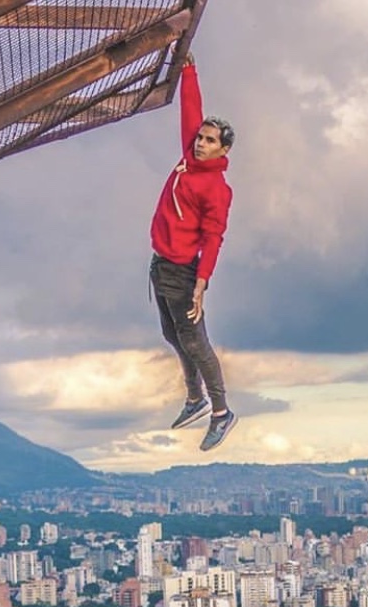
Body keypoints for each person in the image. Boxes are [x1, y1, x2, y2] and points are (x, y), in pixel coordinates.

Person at [149, 53, 237, 451]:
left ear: (223, 150)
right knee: (173, 335)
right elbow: (191, 109)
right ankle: (194, 398)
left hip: (183, 273)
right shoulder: (189, 159)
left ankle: (221, 412)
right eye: (200, 138)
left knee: (195, 341)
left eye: (209, 141)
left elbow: (214, 237)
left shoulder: (217, 190)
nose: (200, 143)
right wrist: (188, 69)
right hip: (160, 264)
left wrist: (201, 285)